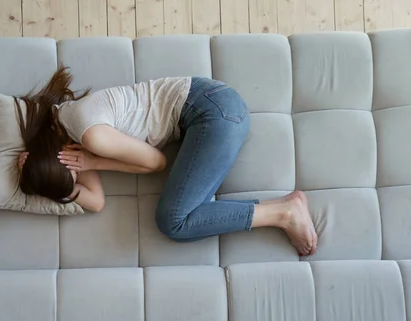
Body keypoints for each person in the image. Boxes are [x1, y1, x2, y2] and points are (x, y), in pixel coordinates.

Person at [17, 68, 317, 256]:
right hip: (210, 106)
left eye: (72, 173)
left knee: (174, 221)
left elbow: (157, 162)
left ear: (64, 158)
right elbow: (95, 201)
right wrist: (39, 172)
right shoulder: (65, 120)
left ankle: (285, 213)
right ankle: (283, 212)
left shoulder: (93, 138)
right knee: (175, 219)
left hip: (213, 112)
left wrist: (94, 162)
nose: (79, 174)